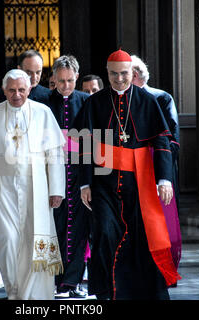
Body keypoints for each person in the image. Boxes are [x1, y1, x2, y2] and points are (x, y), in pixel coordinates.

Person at [76, 49, 181, 300]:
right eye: (114, 74)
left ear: (132, 73)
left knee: (142, 238)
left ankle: (140, 292)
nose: (119, 79)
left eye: (124, 74)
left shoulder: (148, 101)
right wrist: (84, 184)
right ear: (108, 74)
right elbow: (82, 142)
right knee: (104, 232)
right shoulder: (95, 102)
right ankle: (109, 292)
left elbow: (162, 141)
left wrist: (164, 179)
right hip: (104, 180)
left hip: (140, 182)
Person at [0, 69, 66, 300]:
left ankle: (33, 294)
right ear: (4, 90)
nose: (17, 95)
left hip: (37, 185)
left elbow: (55, 154)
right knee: (7, 241)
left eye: (22, 90)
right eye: (12, 90)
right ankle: (13, 289)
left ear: (29, 90)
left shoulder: (43, 112)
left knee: (34, 238)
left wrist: (56, 189)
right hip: (2, 186)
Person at [131, 55, 182, 270]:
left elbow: (171, 139)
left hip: (157, 171)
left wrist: (160, 171)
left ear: (133, 75)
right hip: (132, 172)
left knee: (161, 223)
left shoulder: (161, 98)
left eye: (122, 73)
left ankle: (163, 268)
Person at [47, 55, 90, 298]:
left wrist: (91, 179)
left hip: (79, 171)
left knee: (79, 227)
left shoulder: (86, 101)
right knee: (56, 226)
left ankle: (72, 283)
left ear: (76, 77)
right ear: (53, 78)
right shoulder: (42, 101)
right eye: (61, 81)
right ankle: (55, 279)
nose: (65, 86)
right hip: (51, 171)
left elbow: (93, 139)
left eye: (70, 81)